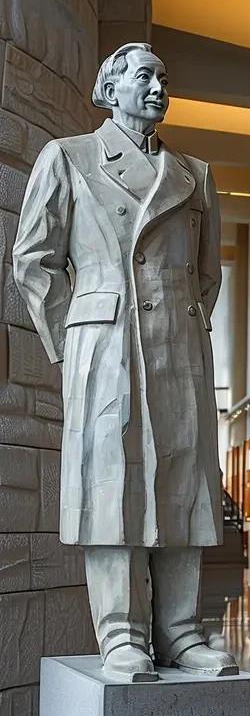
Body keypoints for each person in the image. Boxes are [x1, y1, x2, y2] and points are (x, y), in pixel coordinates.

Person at [12, 42, 238, 682]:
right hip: (106, 343)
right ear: (111, 90)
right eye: (145, 76)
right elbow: (34, 262)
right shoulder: (70, 158)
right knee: (112, 482)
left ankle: (182, 632)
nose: (159, 87)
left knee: (183, 482)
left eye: (164, 76)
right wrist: (77, 338)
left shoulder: (194, 173)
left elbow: (207, 275)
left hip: (178, 347)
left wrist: (184, 324)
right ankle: (120, 633)